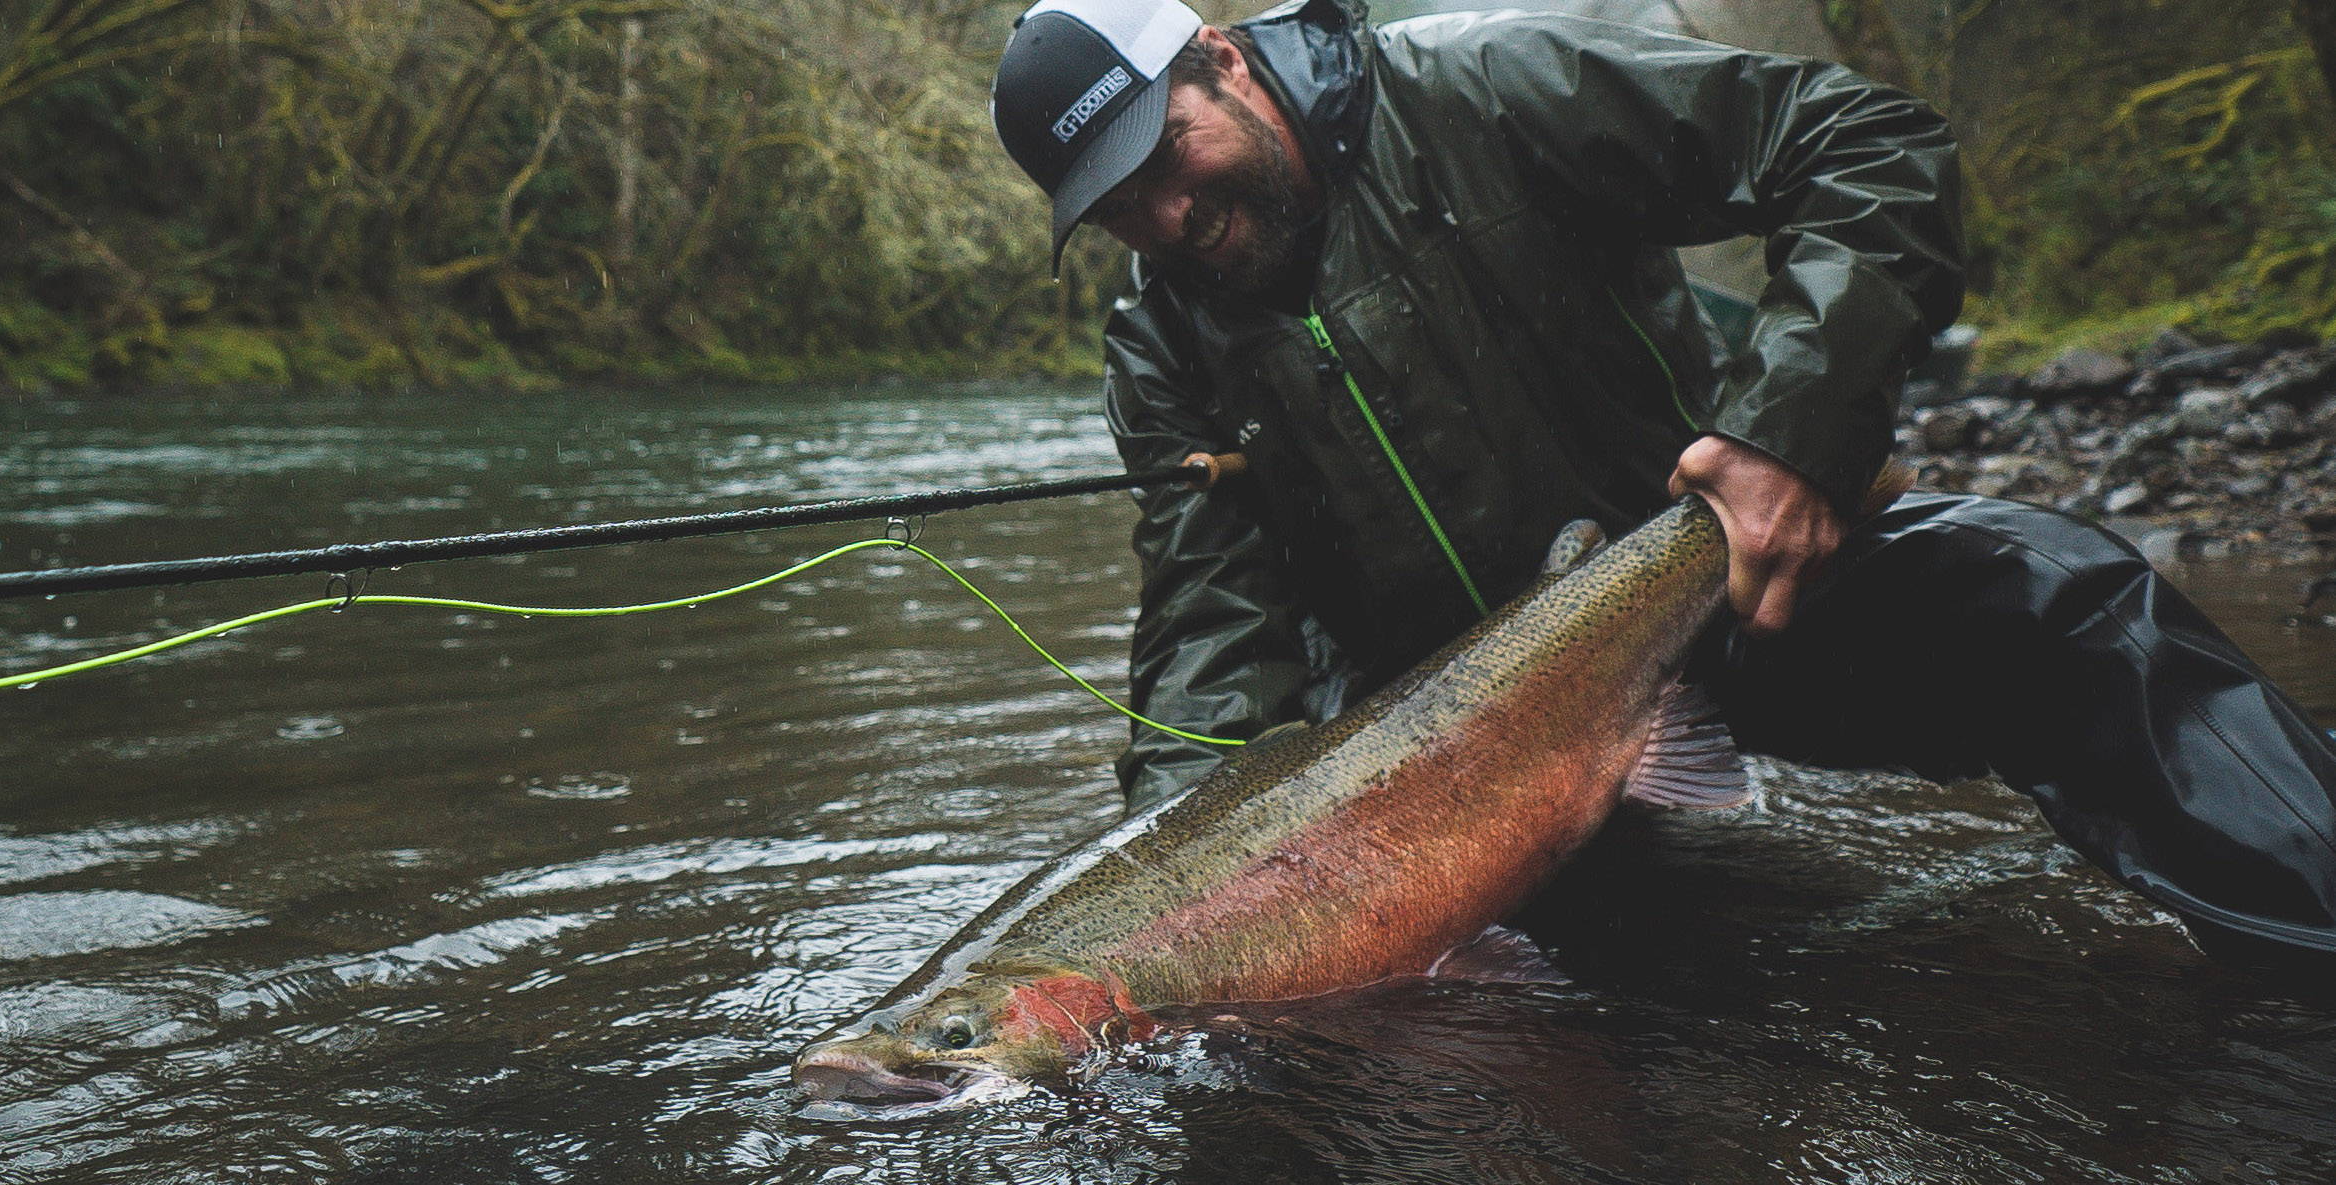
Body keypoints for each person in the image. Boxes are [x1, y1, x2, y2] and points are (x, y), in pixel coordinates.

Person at [988, 0, 2336, 964]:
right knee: (1538, 1025)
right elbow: (1212, 640)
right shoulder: (1155, 342)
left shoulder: (1490, 83)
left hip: (1725, 589)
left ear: (1220, 60)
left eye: (1163, 157)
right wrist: (1164, 897)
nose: (1163, 219)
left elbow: (1866, 148)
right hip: (1447, 761)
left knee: (2056, 596)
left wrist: (1794, 427)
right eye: (1112, 205)